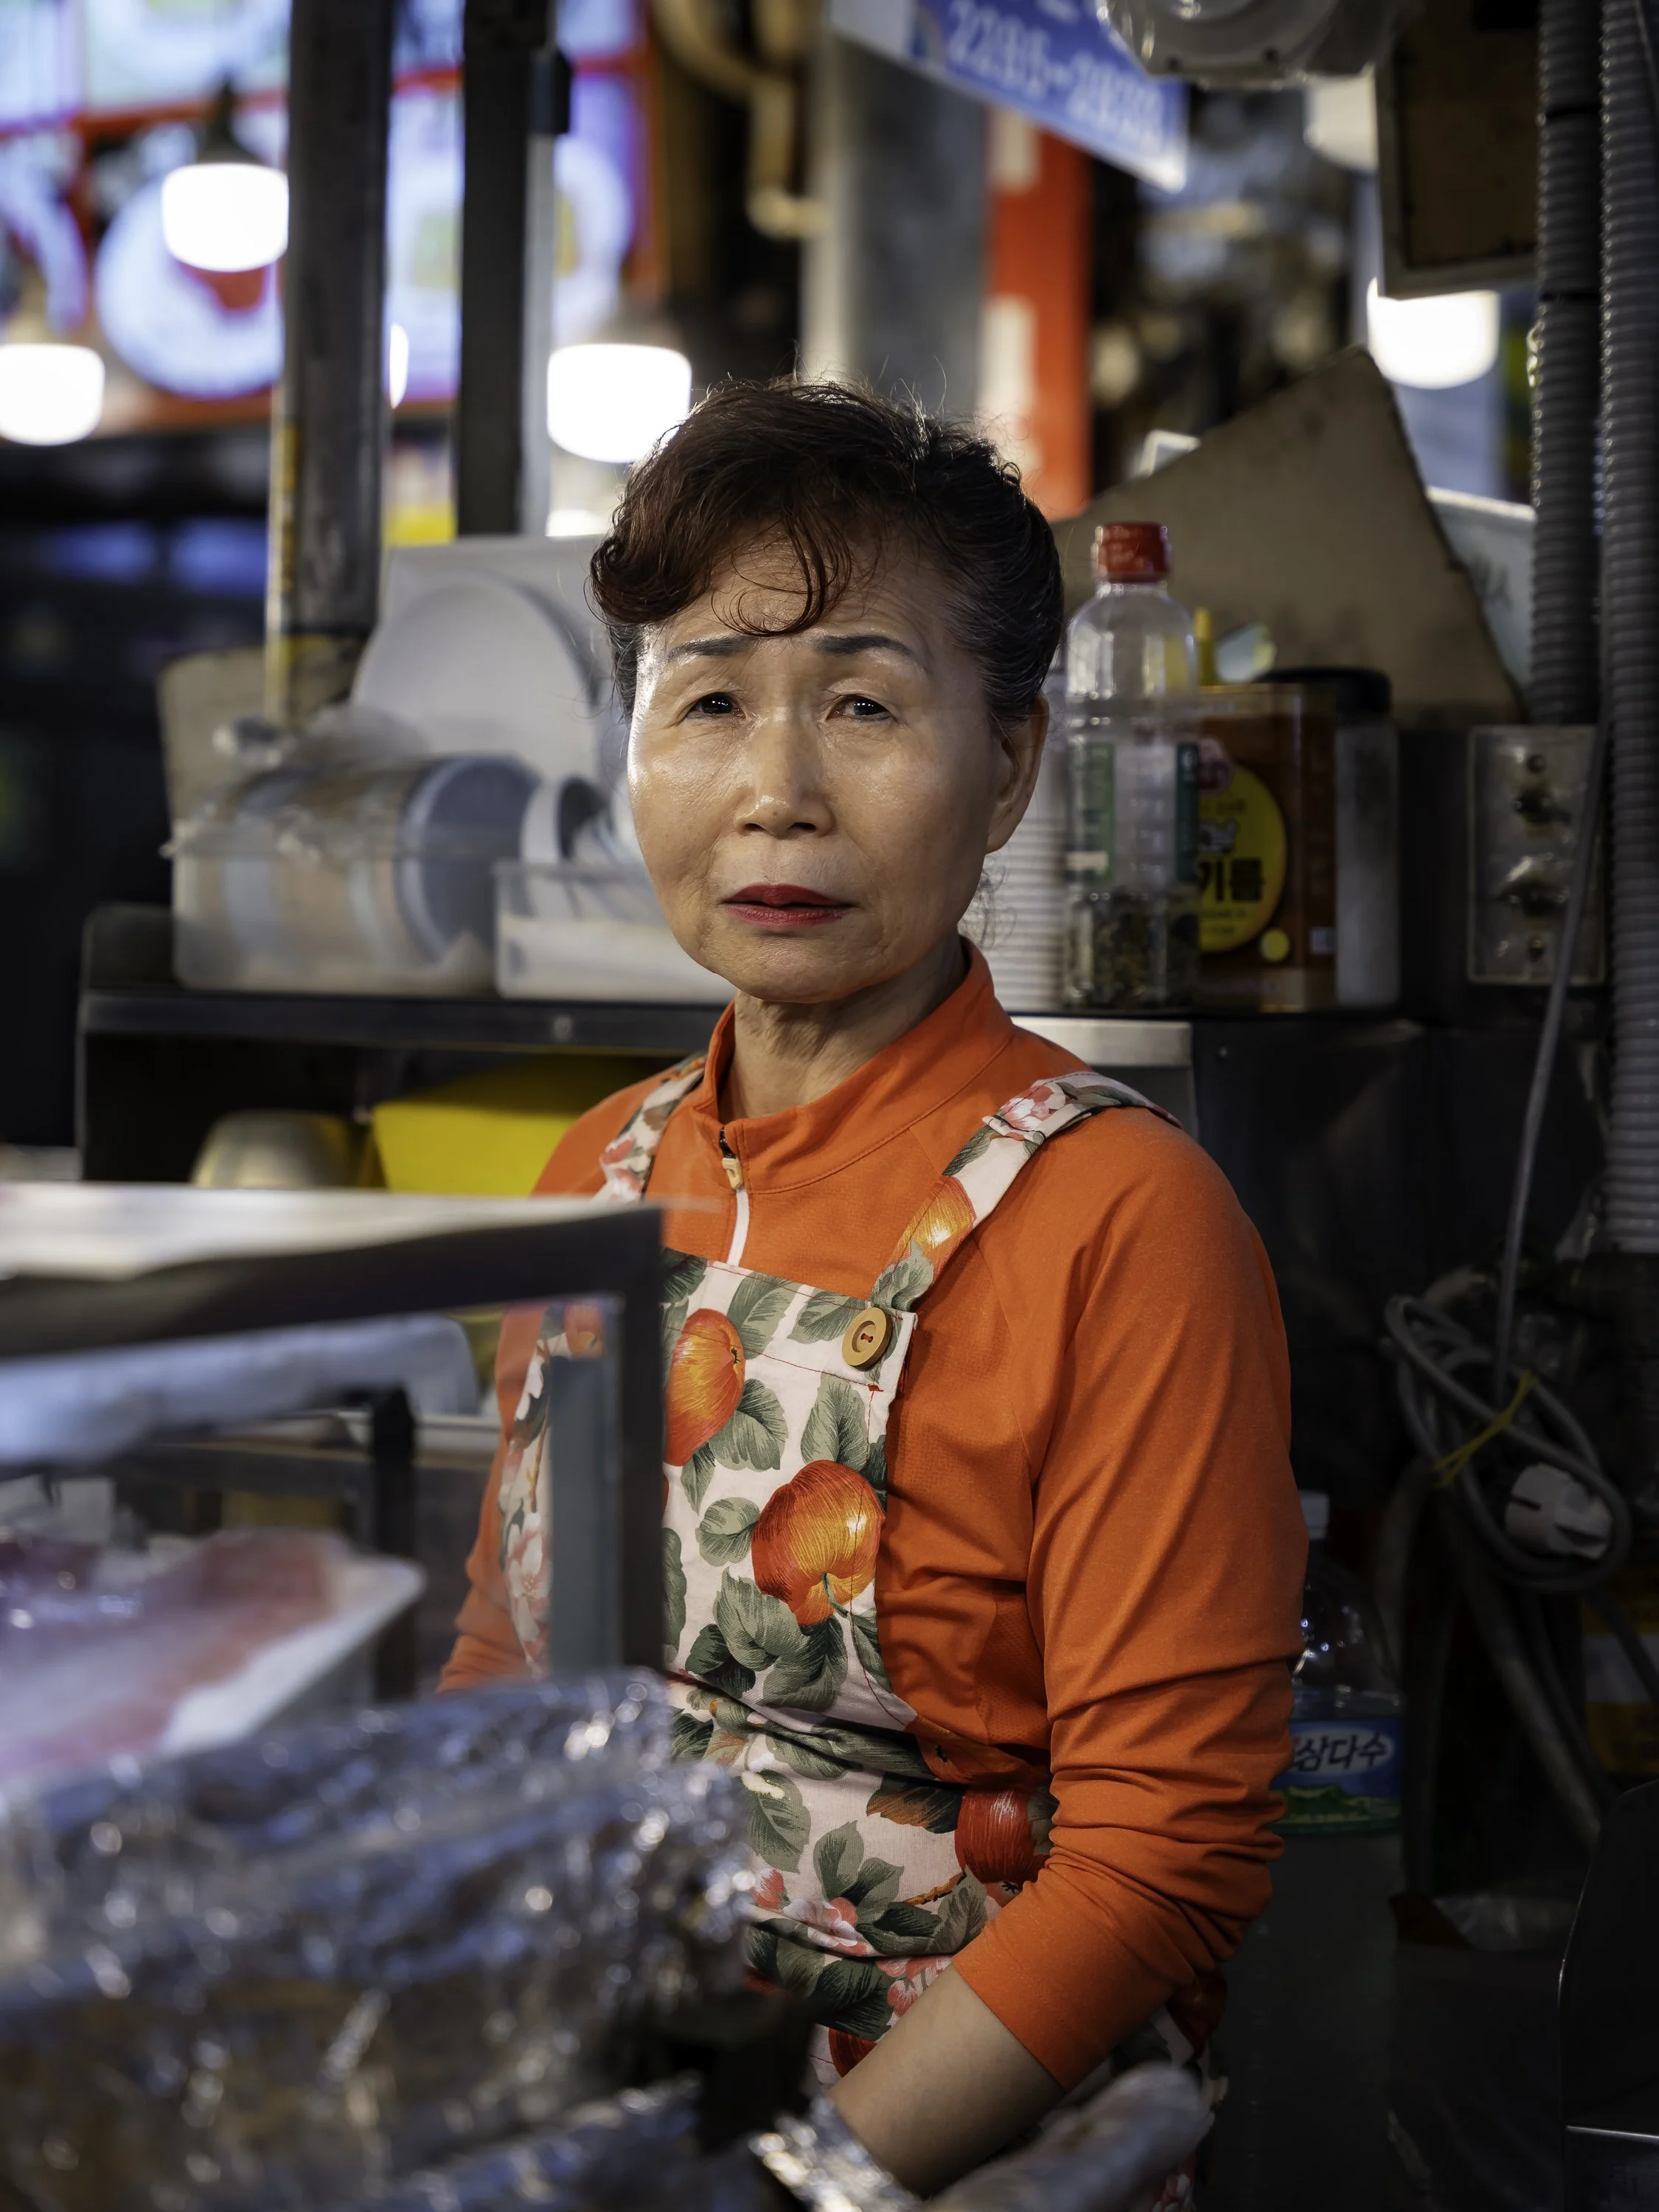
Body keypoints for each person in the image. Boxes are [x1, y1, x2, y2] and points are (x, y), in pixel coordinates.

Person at [443, 380, 1306, 2197]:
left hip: (951, 2155)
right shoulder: (594, 1177)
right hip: (594, 2109)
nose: (778, 791)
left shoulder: (1123, 1222)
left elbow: (1170, 1854)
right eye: (709, 702)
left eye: (861, 702)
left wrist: (802, 2184)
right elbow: (507, 1692)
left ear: (1007, 765)